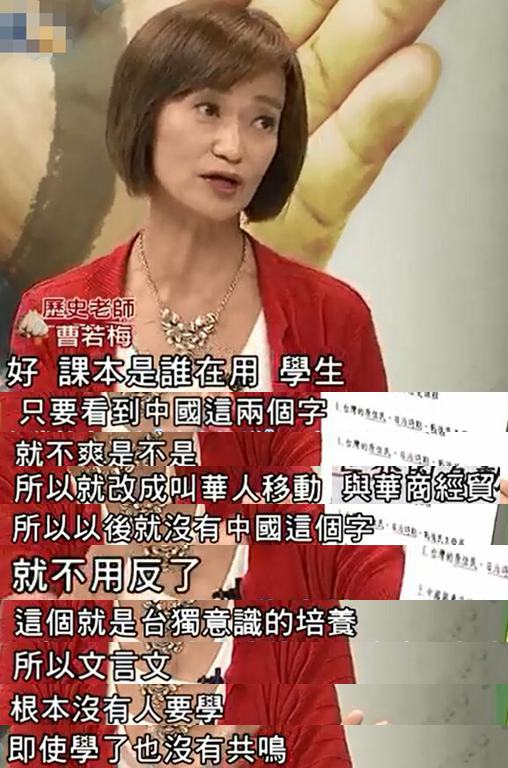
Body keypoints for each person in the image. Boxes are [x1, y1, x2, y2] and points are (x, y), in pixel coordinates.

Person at [0, 4, 404, 766]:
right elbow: (23, 537)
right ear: (146, 112)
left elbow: (375, 534)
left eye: (263, 120)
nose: (234, 147)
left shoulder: (332, 319)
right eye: (209, 108)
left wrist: (462, 498)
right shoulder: (55, 316)